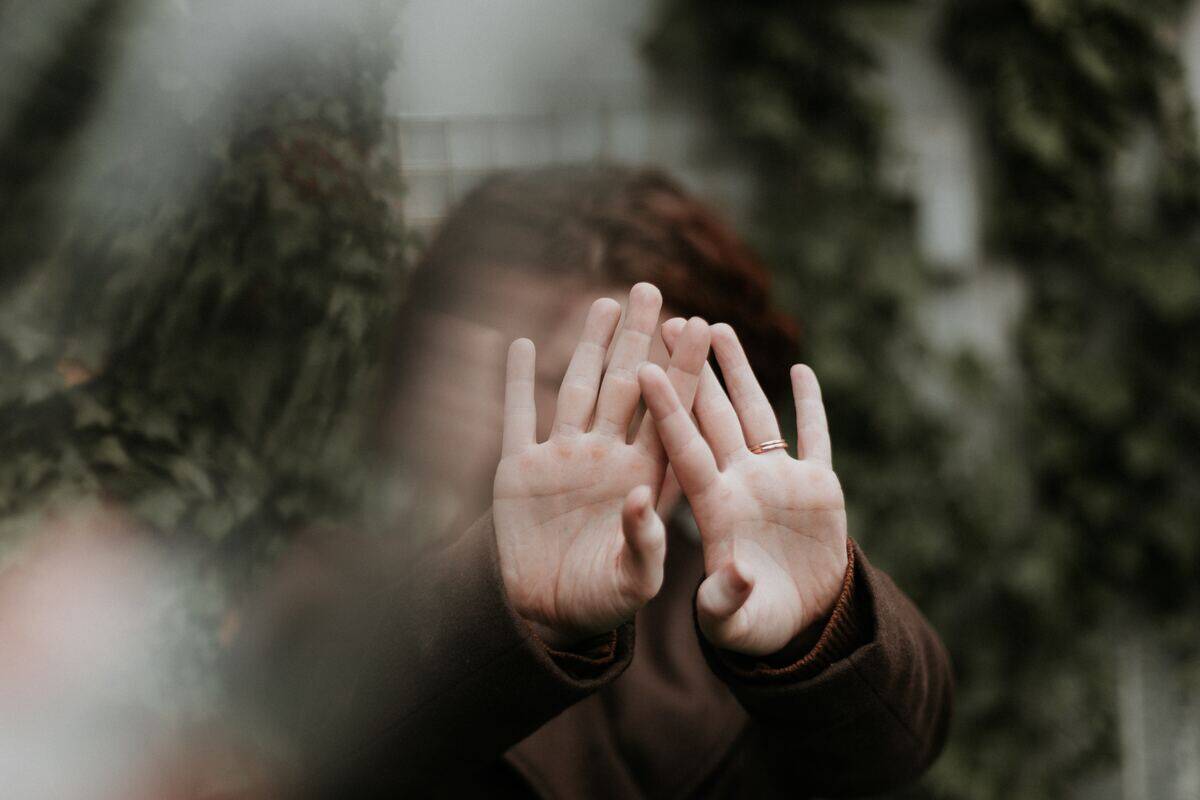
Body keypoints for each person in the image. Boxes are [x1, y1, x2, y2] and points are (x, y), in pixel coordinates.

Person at [231, 166, 953, 798]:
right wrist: (515, 609)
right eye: (568, 379)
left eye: (658, 391)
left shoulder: (737, 610)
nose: (622, 434)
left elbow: (895, 751)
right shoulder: (338, 584)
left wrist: (822, 630)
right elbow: (316, 740)